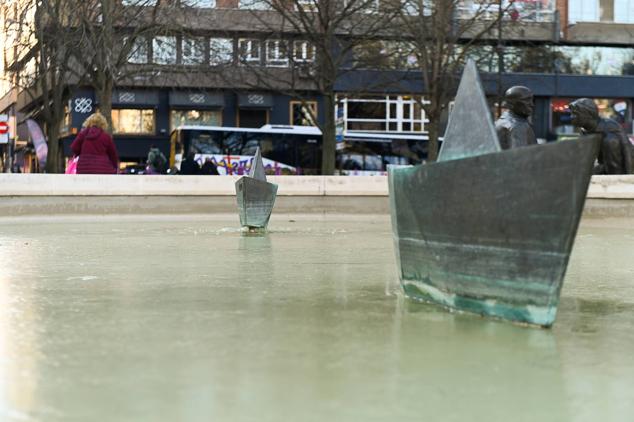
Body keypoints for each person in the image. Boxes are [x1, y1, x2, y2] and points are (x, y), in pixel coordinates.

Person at [569, 98, 633, 175]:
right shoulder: (585, 131)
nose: (571, 117)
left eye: (575, 114)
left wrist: (630, 176)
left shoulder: (609, 126)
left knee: (611, 141)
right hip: (604, 167)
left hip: (619, 170)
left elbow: (627, 149)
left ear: (588, 114)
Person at [494, 86, 538, 150]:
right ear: (511, 104)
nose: (532, 104)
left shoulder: (500, 122)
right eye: (526, 100)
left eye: (532, 100)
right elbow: (520, 157)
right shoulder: (518, 126)